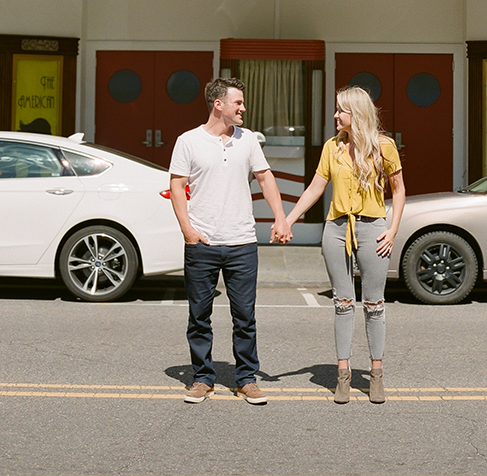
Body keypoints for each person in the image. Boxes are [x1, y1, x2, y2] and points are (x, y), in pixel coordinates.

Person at [279, 86, 405, 404]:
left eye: (340, 110)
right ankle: (343, 375)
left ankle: (376, 375)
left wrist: (392, 231)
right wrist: (287, 220)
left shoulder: (384, 147)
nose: (335, 116)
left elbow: (399, 190)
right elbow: (314, 189)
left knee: (374, 305)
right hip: (336, 229)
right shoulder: (332, 148)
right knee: (342, 303)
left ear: (356, 114)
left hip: (372, 229)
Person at [168, 76, 289, 405]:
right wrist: (187, 231)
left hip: (242, 243)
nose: (243, 108)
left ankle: (246, 378)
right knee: (199, 315)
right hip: (202, 243)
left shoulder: (248, 140)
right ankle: (202, 378)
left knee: (245, 316)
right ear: (218, 105)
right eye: (238, 102)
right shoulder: (188, 141)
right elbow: (177, 187)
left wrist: (280, 217)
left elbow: (265, 178)